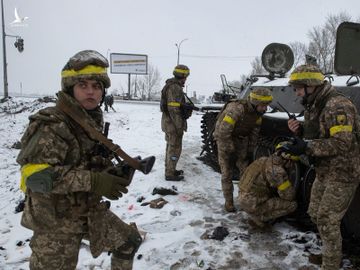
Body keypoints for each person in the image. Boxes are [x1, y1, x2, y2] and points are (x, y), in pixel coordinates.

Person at [16, 50, 142, 270]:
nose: (90, 92)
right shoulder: (54, 123)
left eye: (96, 86)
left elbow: (81, 160)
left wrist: (110, 172)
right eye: (83, 85)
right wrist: (95, 181)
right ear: (70, 88)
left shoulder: (88, 119)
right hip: (54, 222)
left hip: (85, 209)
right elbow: (37, 177)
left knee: (128, 242)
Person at [284, 64, 360, 270]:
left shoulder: (337, 105)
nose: (296, 92)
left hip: (342, 172)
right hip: (325, 170)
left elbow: (341, 143)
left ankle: (331, 264)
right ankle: (330, 254)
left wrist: (306, 147)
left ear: (311, 85)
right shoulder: (315, 104)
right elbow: (318, 135)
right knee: (315, 213)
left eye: (298, 88)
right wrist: (300, 133)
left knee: (327, 219)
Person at [213, 88, 273, 212]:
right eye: (263, 105)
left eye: (267, 105)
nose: (265, 109)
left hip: (241, 140)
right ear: (255, 103)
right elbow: (223, 131)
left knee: (246, 171)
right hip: (224, 140)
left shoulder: (257, 115)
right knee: (227, 173)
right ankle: (229, 203)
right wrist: (230, 150)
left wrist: (250, 151)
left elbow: (254, 134)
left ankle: (244, 199)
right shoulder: (236, 109)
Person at [238, 150, 298, 228]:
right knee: (292, 205)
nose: (291, 165)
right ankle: (259, 218)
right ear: (287, 160)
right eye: (292, 162)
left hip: (242, 196)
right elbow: (288, 196)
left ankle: (255, 211)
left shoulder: (263, 159)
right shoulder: (278, 172)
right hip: (252, 204)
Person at [160, 64, 191, 181]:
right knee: (174, 148)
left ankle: (170, 169)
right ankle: (170, 173)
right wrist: (179, 126)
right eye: (186, 76)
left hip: (169, 123)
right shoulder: (175, 88)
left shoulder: (170, 86)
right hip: (173, 124)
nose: (186, 79)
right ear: (182, 75)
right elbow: (173, 109)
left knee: (170, 147)